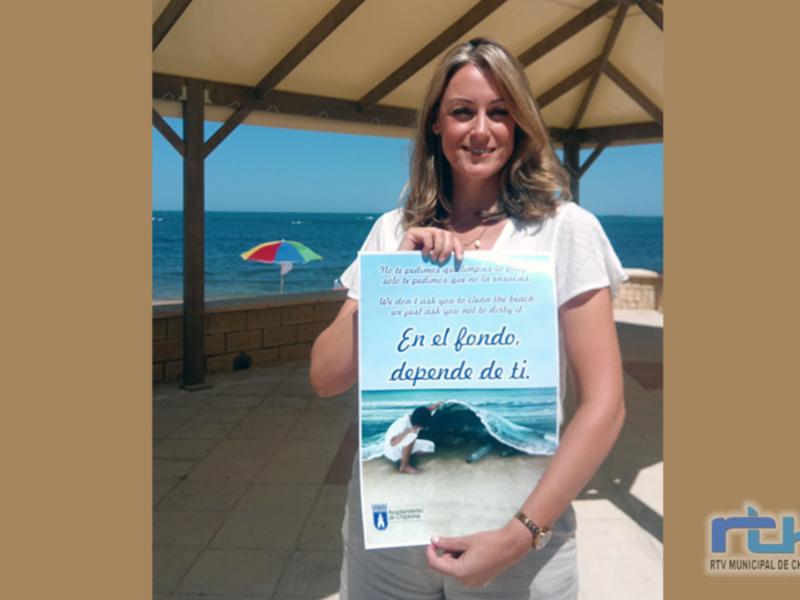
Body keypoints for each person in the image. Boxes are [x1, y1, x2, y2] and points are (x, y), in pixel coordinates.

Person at [310, 37, 626, 600]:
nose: (481, 130)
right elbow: (325, 377)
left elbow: (605, 406)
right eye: (462, 111)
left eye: (499, 112)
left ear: (520, 123)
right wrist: (392, 277)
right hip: (388, 540)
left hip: (519, 544)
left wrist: (519, 536)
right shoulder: (392, 230)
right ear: (436, 123)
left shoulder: (564, 230)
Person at [384, 402, 444, 474]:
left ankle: (407, 457)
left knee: (430, 446)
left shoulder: (416, 417)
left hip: (401, 446)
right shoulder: (402, 423)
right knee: (412, 435)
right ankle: (404, 466)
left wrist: (436, 405)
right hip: (392, 451)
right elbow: (392, 442)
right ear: (418, 425)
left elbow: (424, 411)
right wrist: (408, 431)